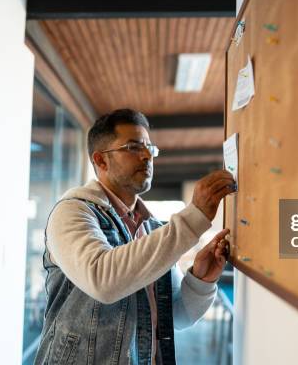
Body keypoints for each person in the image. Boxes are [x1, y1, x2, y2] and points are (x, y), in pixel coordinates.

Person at [34, 108, 235, 365]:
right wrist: (193, 218)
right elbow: (103, 281)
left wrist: (201, 280)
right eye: (133, 147)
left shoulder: (151, 229)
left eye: (150, 148)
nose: (146, 156)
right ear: (101, 160)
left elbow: (177, 316)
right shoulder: (72, 211)